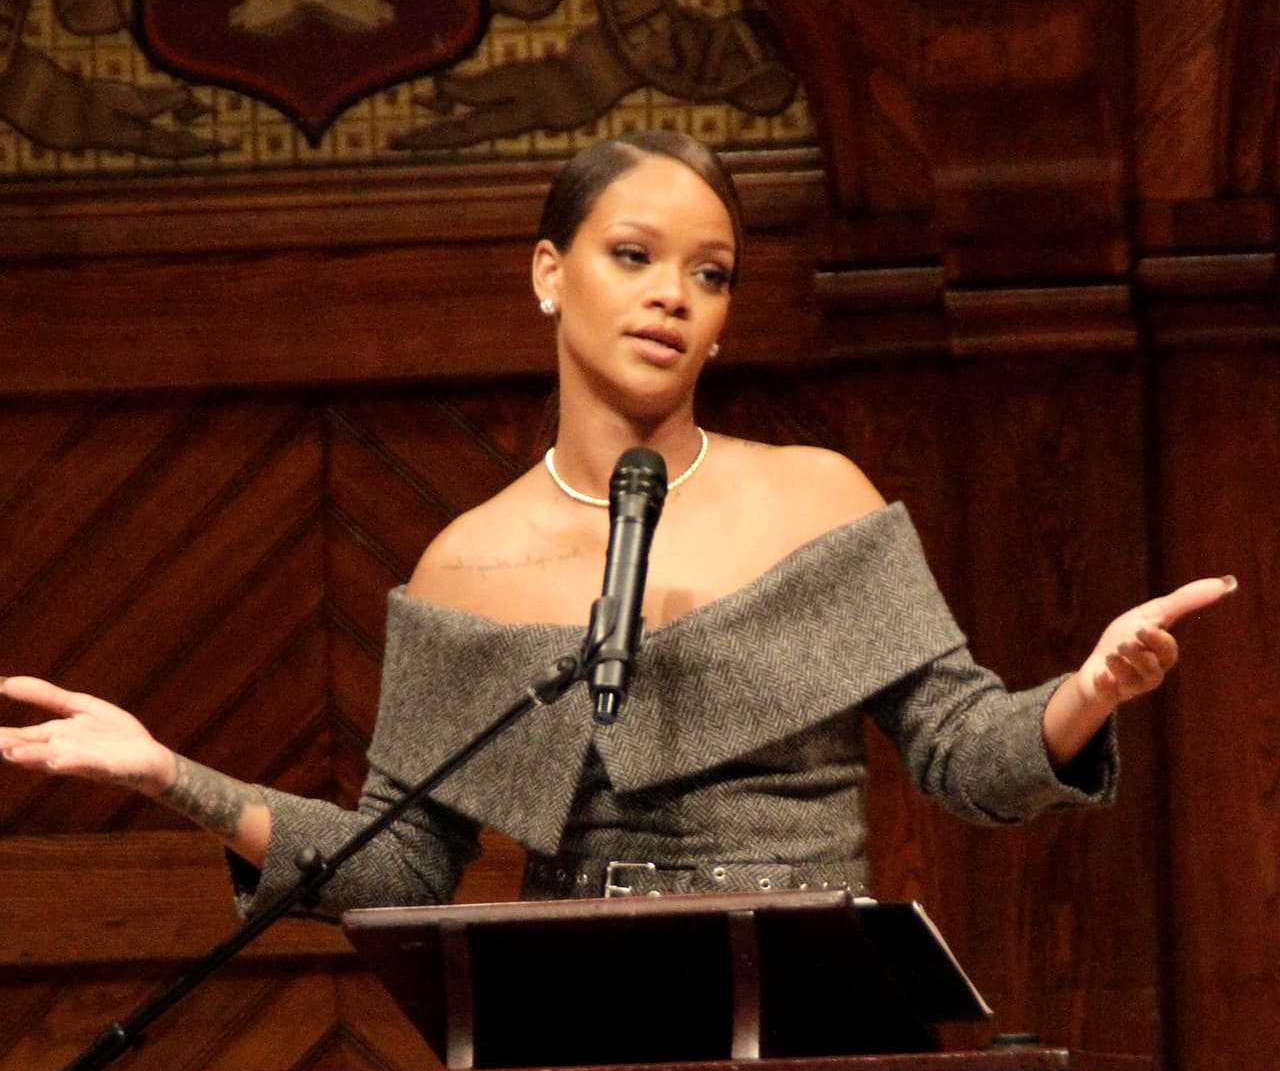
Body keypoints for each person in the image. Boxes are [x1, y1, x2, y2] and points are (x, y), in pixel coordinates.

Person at [0, 132, 1234, 912]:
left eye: (709, 275)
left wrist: (1088, 689)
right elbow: (397, 863)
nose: (671, 297)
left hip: (812, 1019)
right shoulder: (467, 563)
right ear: (548, 274)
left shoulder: (818, 498)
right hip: (569, 1025)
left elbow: (968, 759)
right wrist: (170, 774)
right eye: (633, 255)